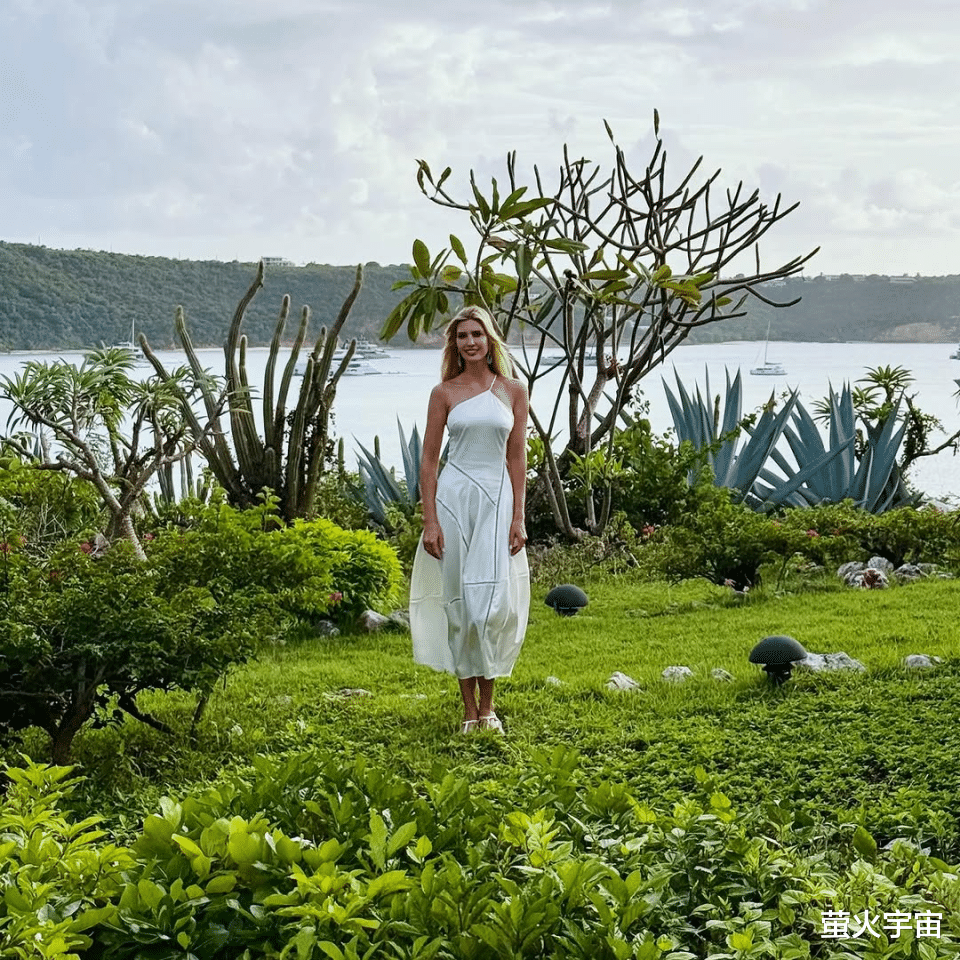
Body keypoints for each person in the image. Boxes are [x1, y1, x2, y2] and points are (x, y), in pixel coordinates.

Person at [409, 304, 530, 734]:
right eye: (462, 336)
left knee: (491, 608)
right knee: (460, 606)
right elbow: (428, 462)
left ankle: (490, 706)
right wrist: (430, 520)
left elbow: (517, 459)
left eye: (477, 334)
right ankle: (468, 710)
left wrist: (519, 516)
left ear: (490, 338)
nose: (471, 342)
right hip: (455, 501)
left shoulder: (513, 391)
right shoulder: (443, 393)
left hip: (496, 503)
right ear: (455, 344)